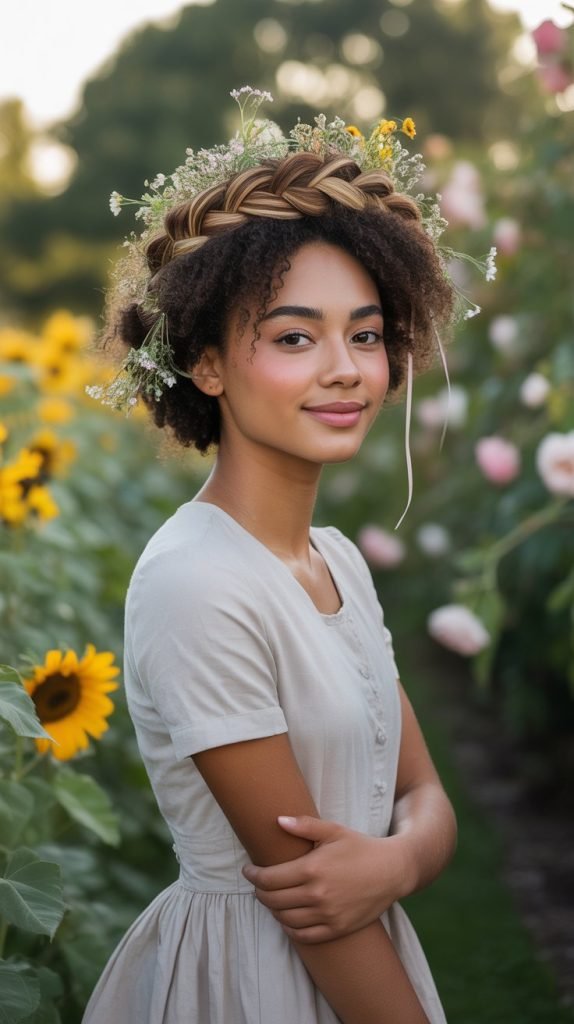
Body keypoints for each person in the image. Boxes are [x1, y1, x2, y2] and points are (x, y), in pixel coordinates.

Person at [83, 88, 461, 1024]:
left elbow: (426, 797)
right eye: (296, 337)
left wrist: (397, 859)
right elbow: (315, 911)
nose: (345, 368)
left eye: (365, 335)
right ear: (206, 362)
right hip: (250, 983)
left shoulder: (337, 557)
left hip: (363, 955)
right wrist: (391, 861)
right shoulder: (197, 581)